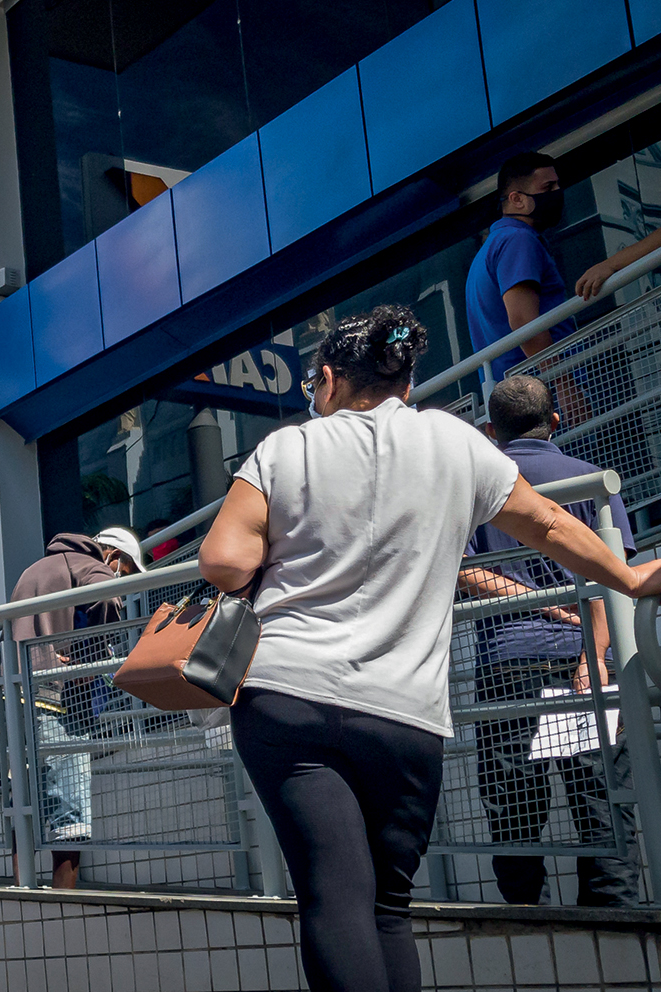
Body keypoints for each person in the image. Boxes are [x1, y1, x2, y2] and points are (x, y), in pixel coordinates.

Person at [197, 305, 661, 992]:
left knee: (333, 898)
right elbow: (550, 523)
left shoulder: (285, 450)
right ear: (407, 383)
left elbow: (223, 562)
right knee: (389, 907)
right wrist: (626, 576)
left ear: (327, 380)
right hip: (403, 711)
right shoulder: (458, 443)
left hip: (285, 694)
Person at [460, 375, 642, 906]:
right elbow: (614, 578)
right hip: (585, 662)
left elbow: (465, 572)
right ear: (556, 421)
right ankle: (616, 918)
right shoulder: (592, 480)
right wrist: (595, 655)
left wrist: (533, 603)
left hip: (508, 662)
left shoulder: (478, 491)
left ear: (490, 430)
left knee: (512, 803)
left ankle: (523, 918)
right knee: (602, 796)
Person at [7, 528, 139, 888]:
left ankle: (24, 898)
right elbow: (108, 601)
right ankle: (65, 906)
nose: (121, 583)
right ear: (111, 556)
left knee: (28, 801)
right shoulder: (90, 564)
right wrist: (88, 658)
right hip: (59, 697)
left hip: (21, 693)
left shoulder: (38, 568)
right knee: (71, 807)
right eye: (123, 573)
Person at [464, 152, 576, 388]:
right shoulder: (518, 240)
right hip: (544, 397)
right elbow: (524, 321)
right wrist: (566, 390)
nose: (557, 192)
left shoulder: (491, 248)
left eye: (557, 184)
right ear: (516, 199)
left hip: (517, 400)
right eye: (548, 187)